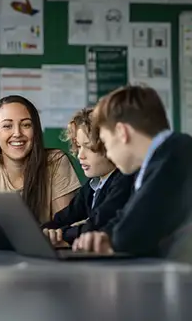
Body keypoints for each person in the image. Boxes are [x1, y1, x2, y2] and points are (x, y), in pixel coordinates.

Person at [72, 85, 192, 257]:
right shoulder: (161, 158)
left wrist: (110, 239)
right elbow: (128, 215)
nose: (109, 153)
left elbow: (131, 232)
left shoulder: (174, 155)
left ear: (122, 132)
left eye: (105, 142)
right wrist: (104, 236)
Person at [0, 95, 81, 224]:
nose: (17, 133)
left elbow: (66, 226)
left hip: (41, 244)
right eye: (7, 126)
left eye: (26, 125)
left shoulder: (55, 161)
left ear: (35, 131)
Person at [43, 108, 135, 246]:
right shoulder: (93, 184)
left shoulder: (123, 180)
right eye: (79, 146)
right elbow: (63, 218)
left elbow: (96, 225)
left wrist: (60, 234)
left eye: (89, 147)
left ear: (109, 145)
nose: (80, 155)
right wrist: (43, 232)